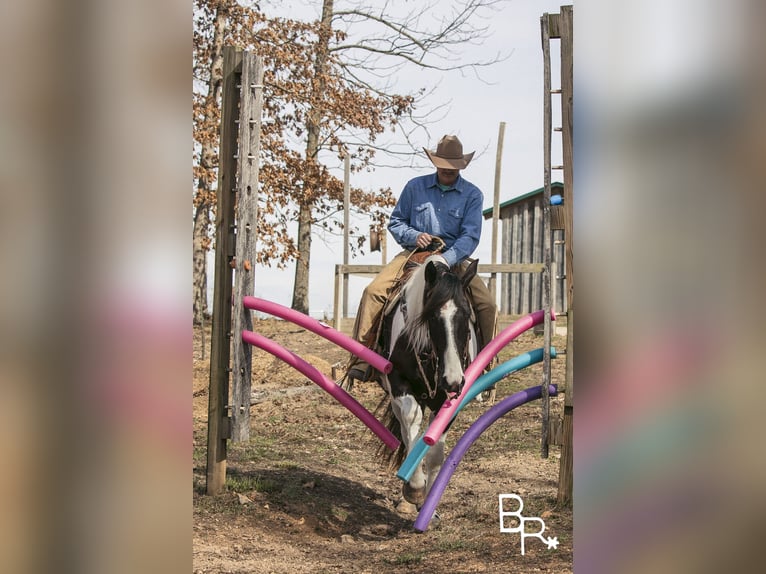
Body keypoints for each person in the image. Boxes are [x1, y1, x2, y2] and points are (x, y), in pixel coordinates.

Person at [347, 134, 497, 382]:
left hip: (454, 257)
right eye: (444, 166)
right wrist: (414, 236)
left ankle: (485, 364)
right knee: (374, 291)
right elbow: (396, 222)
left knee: (487, 304)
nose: (448, 171)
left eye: (453, 167)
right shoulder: (414, 187)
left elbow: (470, 237)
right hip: (414, 254)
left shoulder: (472, 194)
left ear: (461, 166)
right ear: (436, 163)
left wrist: (446, 259)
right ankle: (362, 359)